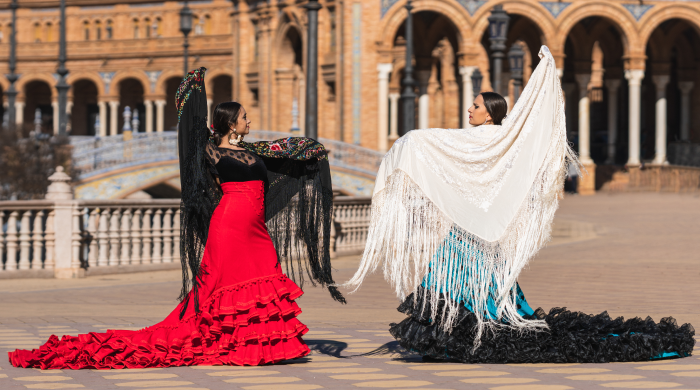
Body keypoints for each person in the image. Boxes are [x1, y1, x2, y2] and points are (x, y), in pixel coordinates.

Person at [344, 46, 695, 363]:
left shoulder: (476, 141)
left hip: (471, 232)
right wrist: (544, 76)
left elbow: (426, 143)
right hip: (485, 233)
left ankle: (462, 338)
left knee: (460, 284)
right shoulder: (503, 144)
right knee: (481, 286)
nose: (470, 108)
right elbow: (532, 135)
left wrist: (406, 145)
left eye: (476, 105)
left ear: (490, 113)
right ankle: (464, 335)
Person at [9, 67, 345, 369]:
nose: (249, 121)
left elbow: (292, 149)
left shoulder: (255, 150)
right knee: (224, 285)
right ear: (230, 122)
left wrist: (309, 150)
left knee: (262, 278)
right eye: (244, 117)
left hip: (254, 226)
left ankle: (260, 346)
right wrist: (194, 91)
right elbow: (191, 136)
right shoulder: (210, 152)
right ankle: (233, 344)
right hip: (228, 224)